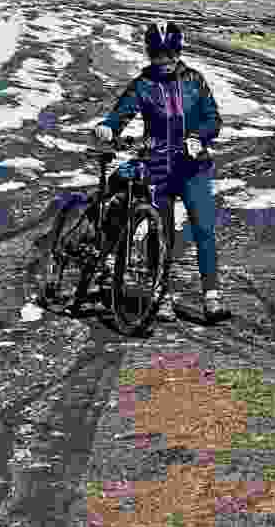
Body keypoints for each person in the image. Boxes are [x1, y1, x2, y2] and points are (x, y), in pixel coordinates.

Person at [93, 22, 229, 323]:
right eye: (157, 54)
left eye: (170, 53)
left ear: (179, 52)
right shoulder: (143, 84)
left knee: (204, 228)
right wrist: (109, 127)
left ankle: (212, 297)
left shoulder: (195, 80)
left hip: (193, 167)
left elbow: (213, 119)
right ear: (149, 53)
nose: (164, 60)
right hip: (158, 168)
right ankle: (161, 294)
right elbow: (121, 113)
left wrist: (199, 136)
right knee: (161, 234)